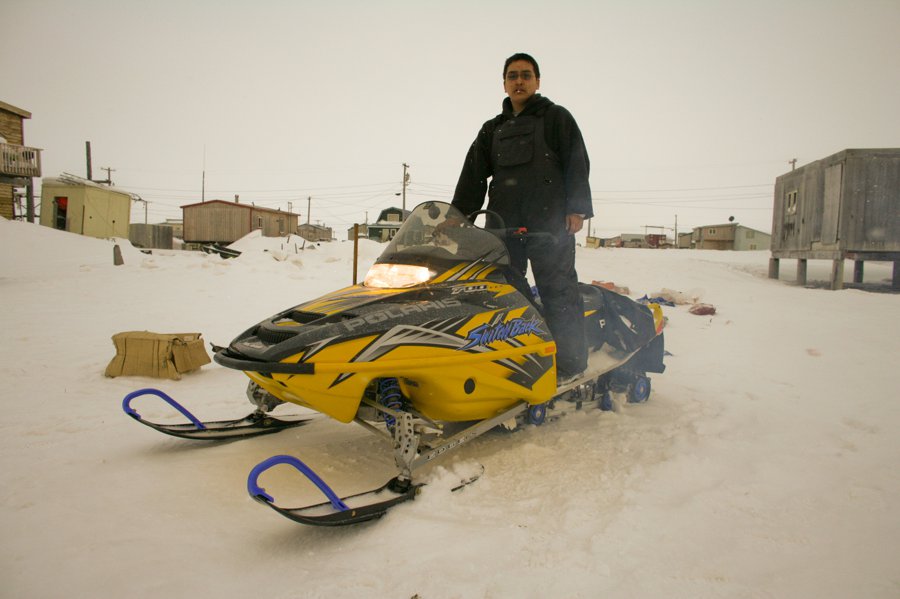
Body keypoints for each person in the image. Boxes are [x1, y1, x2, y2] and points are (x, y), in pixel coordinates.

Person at [452, 52, 593, 384]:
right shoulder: (492, 129)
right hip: (503, 226)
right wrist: (458, 216)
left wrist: (576, 208)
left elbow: (576, 161)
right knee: (502, 295)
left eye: (526, 75)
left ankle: (570, 365)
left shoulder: (557, 118)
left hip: (550, 226)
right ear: (504, 84)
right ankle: (513, 357)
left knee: (558, 292)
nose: (519, 81)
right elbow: (473, 175)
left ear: (537, 82)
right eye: (512, 76)